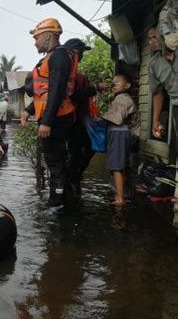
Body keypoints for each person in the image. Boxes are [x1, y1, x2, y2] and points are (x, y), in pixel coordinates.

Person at [29, 18, 78, 209]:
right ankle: (59, 201)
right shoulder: (54, 56)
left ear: (48, 36)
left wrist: (46, 122)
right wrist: (29, 110)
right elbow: (44, 92)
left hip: (56, 119)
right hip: (56, 117)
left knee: (55, 163)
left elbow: (56, 90)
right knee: (55, 163)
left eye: (37, 38)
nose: (35, 43)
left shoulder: (58, 56)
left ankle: (56, 205)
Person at [63, 38, 111, 197]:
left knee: (89, 148)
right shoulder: (62, 74)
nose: (81, 56)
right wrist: (95, 88)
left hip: (81, 120)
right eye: (80, 53)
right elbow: (73, 97)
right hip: (68, 121)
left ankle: (74, 178)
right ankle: (69, 182)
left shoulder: (80, 77)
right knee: (73, 152)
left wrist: (93, 115)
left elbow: (84, 100)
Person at [102, 74, 140, 207]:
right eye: (113, 83)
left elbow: (116, 118)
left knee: (116, 166)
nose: (113, 85)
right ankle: (121, 193)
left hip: (119, 133)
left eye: (117, 83)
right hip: (121, 133)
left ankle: (119, 198)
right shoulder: (120, 98)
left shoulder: (123, 98)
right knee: (119, 166)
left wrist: (99, 119)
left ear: (127, 86)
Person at [148, 27, 178, 139]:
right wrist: (155, 120)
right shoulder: (153, 64)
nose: (151, 42)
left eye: (154, 37)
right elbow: (157, 93)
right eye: (149, 38)